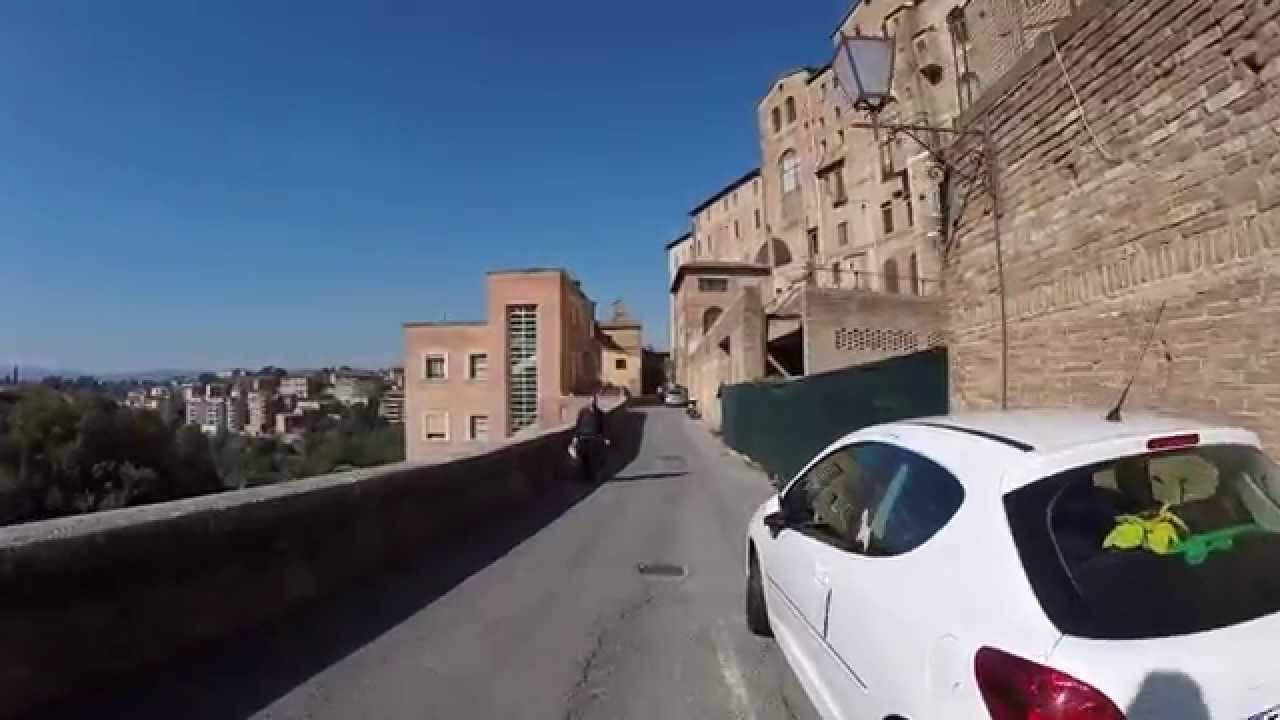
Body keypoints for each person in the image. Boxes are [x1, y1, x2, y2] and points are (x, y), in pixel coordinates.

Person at [572, 395, 609, 484]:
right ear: (588, 401)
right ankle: (585, 477)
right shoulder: (583, 411)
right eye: (591, 400)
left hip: (594, 439)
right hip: (583, 438)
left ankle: (592, 477)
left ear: (596, 402)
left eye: (594, 401)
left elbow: (603, 427)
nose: (592, 402)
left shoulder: (600, 413)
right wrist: (575, 437)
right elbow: (578, 425)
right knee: (583, 459)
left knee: (593, 459)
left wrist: (605, 438)